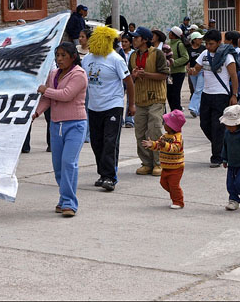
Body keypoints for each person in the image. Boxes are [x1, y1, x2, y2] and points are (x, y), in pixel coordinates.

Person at [33, 43, 88, 217]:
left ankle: (69, 203)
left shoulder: (79, 74)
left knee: (68, 163)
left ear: (73, 56)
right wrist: (35, 113)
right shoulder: (53, 74)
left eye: (63, 55)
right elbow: (46, 100)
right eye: (57, 55)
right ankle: (64, 198)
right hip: (56, 125)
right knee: (58, 166)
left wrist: (45, 89)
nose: (59, 59)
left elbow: (66, 95)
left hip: (75, 124)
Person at [83, 26, 135, 192]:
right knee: (97, 143)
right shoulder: (87, 59)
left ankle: (110, 177)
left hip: (113, 106)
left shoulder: (115, 59)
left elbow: (129, 82)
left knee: (110, 142)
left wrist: (131, 105)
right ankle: (102, 173)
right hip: (94, 107)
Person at [188, 29, 239, 167]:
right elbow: (197, 69)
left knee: (217, 127)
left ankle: (217, 157)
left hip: (221, 94)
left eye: (211, 44)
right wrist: (191, 71)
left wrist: (234, 95)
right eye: (207, 43)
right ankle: (222, 146)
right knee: (204, 124)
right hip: (206, 94)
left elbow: (234, 76)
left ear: (218, 42)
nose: (208, 46)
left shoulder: (227, 57)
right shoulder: (204, 54)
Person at [129, 27, 170, 176]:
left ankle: (159, 162)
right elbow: (129, 80)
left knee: (155, 130)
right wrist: (134, 76)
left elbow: (164, 75)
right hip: (140, 99)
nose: (133, 40)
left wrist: (146, 74)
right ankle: (146, 162)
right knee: (139, 132)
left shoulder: (157, 54)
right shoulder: (133, 56)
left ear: (145, 40)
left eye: (136, 38)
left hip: (156, 98)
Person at [142, 109, 186, 209]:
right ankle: (176, 195)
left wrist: (165, 144)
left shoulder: (177, 137)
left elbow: (175, 148)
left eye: (166, 123)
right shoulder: (165, 136)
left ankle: (179, 201)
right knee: (164, 183)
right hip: (166, 166)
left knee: (174, 185)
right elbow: (158, 145)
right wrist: (152, 144)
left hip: (176, 167)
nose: (164, 124)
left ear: (172, 126)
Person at [167, 26, 189, 112]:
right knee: (169, 93)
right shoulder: (168, 43)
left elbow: (185, 58)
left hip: (179, 73)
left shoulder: (179, 44)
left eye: (170, 32)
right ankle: (174, 110)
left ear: (173, 35)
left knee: (175, 93)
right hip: (170, 73)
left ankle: (176, 112)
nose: (169, 34)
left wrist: (174, 63)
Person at [187, 31, 205, 117]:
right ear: (194, 40)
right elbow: (187, 61)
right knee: (197, 90)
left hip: (201, 71)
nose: (201, 40)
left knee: (198, 90)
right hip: (192, 72)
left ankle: (193, 108)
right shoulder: (189, 49)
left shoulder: (203, 48)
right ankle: (199, 109)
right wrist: (188, 69)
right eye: (199, 39)